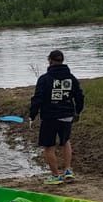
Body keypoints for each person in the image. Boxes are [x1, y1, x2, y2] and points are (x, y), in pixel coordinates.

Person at [29, 49, 84, 185]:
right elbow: (79, 96)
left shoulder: (44, 79)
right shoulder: (71, 78)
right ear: (62, 61)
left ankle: (55, 175)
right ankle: (67, 170)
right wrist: (78, 111)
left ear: (50, 61)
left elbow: (38, 98)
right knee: (66, 141)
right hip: (67, 115)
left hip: (50, 117)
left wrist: (32, 114)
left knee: (49, 147)